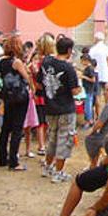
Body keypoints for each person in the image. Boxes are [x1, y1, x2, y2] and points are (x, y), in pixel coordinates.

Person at [40, 36, 80, 183]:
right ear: (69, 50)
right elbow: (75, 90)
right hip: (65, 109)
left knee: (52, 138)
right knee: (65, 140)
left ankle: (47, 166)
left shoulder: (46, 62)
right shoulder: (68, 68)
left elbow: (39, 83)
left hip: (50, 107)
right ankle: (58, 172)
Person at [0, 36, 33, 171]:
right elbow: (27, 77)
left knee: (6, 127)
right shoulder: (16, 62)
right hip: (19, 96)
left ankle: (2, 158)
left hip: (7, 96)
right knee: (17, 129)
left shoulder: (2, 62)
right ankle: (14, 161)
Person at [30, 34, 55, 156]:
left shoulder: (42, 60)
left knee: (45, 121)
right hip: (41, 95)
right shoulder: (40, 60)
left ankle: (43, 144)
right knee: (41, 121)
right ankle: (41, 145)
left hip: (44, 94)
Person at [88, 32, 108, 111]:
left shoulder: (92, 50)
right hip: (107, 74)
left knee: (97, 95)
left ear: (95, 39)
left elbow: (90, 62)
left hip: (96, 74)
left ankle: (98, 114)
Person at [79, 54, 98, 129]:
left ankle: (89, 121)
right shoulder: (88, 68)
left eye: (82, 61)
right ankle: (89, 120)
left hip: (89, 89)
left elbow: (93, 80)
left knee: (88, 106)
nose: (81, 62)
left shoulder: (89, 69)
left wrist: (83, 77)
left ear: (86, 60)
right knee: (87, 105)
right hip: (87, 89)